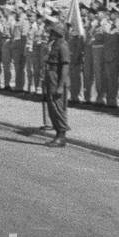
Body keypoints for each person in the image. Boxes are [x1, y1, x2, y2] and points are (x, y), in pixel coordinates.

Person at [43, 18, 71, 146]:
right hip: (50, 75)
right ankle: (57, 134)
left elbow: (65, 66)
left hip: (57, 77)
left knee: (58, 107)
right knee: (52, 106)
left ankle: (61, 135)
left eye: (53, 31)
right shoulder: (54, 43)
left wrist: (60, 86)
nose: (50, 33)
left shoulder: (62, 45)